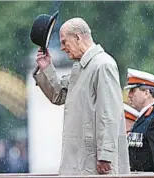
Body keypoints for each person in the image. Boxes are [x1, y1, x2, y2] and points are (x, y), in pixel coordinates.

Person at [33, 17, 130, 175]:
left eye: (64, 42)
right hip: (80, 161)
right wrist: (46, 67)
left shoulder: (103, 65)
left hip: (94, 163)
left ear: (78, 37)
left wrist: (106, 155)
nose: (63, 48)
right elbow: (58, 95)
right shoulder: (81, 67)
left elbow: (109, 113)